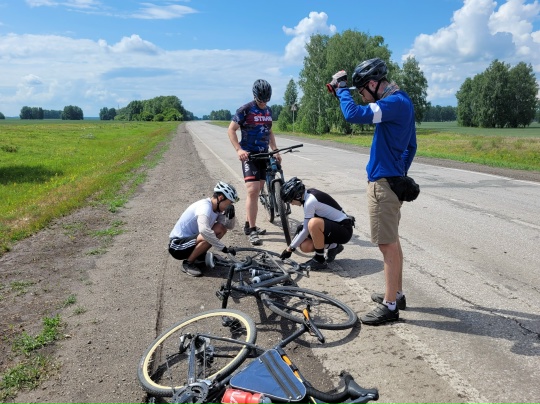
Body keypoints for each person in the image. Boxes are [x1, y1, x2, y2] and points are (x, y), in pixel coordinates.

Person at [329, 58, 417, 325]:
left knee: (386, 245)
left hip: (383, 184)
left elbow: (353, 115)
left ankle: (390, 307)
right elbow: (411, 146)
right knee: (393, 242)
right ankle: (396, 295)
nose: (362, 97)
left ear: (372, 84)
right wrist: (399, 173)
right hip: (392, 181)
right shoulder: (403, 101)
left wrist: (342, 89)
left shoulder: (393, 103)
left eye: (361, 91)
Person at [228, 79, 281, 246]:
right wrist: (239, 150)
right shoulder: (245, 110)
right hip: (249, 156)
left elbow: (269, 131)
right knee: (252, 190)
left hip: (264, 154)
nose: (263, 103)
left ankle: (247, 224)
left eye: (266, 100)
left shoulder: (268, 111)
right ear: (254, 96)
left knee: (258, 190)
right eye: (261, 100)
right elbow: (231, 129)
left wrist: (275, 149)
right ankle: (252, 230)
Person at [279, 177, 354, 270]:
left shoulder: (310, 202)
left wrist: (290, 249)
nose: (291, 203)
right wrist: (292, 245)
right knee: (305, 246)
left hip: (344, 230)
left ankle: (319, 260)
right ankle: (334, 247)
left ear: (297, 196)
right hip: (334, 228)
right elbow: (303, 228)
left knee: (313, 223)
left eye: (290, 201)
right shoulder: (307, 196)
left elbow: (307, 229)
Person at [168, 181, 238, 277]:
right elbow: (204, 231)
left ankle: (199, 256)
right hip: (177, 246)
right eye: (230, 203)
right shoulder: (205, 207)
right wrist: (224, 249)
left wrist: (231, 215)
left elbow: (228, 226)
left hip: (191, 242)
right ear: (221, 198)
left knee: (221, 229)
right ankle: (188, 263)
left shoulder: (217, 209)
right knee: (207, 234)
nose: (230, 205)